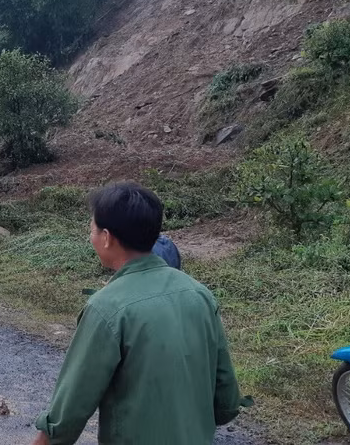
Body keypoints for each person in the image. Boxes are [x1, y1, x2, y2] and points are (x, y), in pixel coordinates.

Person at [32, 182, 241, 445]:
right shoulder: (199, 294)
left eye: (92, 230)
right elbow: (226, 403)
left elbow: (68, 412)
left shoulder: (106, 307)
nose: (90, 237)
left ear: (107, 238)